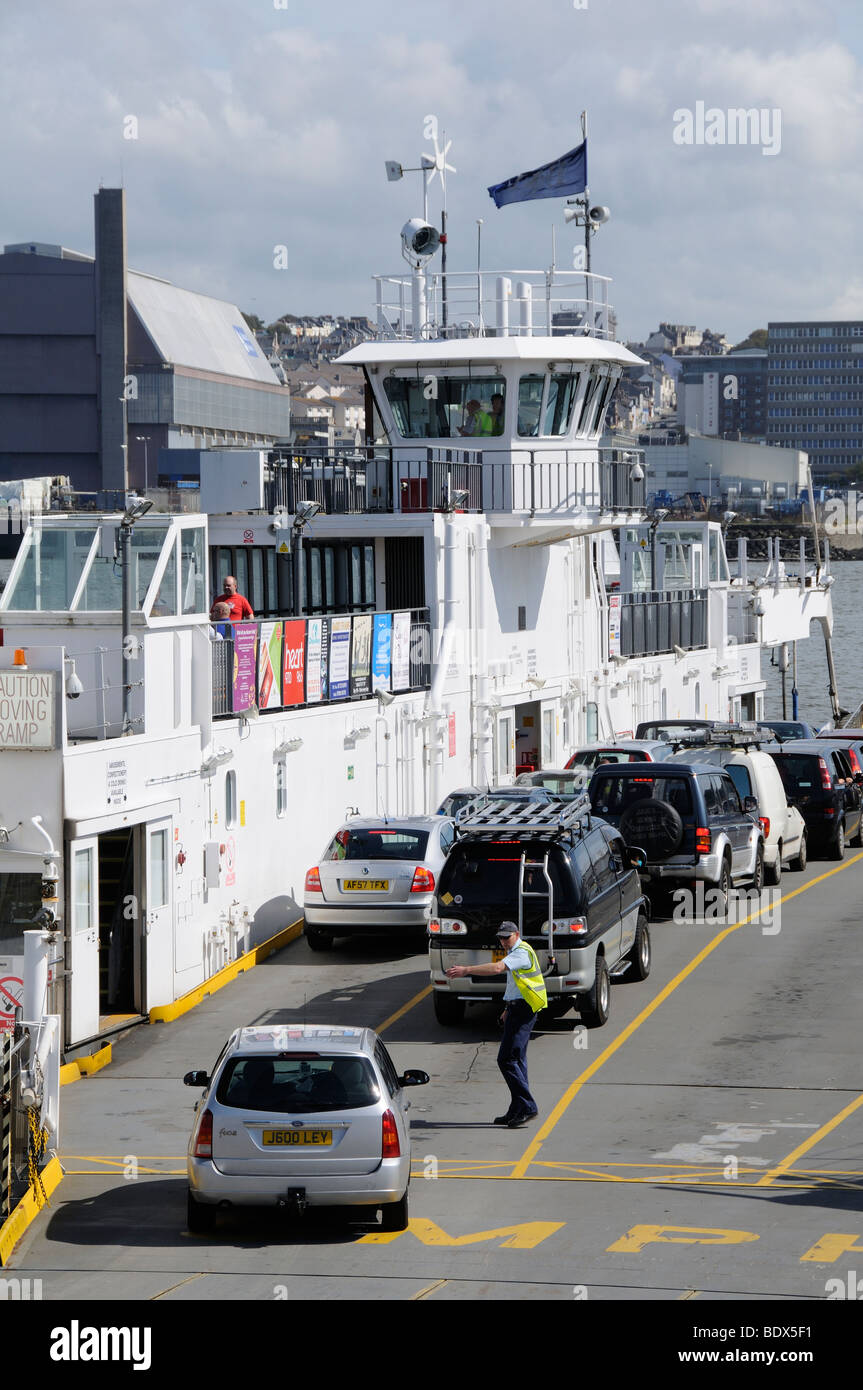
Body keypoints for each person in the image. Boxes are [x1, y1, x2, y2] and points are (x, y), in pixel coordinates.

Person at [445, 920, 546, 1127]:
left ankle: (527, 1106)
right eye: (500, 937)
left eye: (506, 937)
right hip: (519, 1007)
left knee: (506, 1060)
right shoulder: (516, 951)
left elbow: (498, 968)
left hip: (525, 1009)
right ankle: (517, 1107)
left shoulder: (521, 952)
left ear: (516, 934)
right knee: (517, 1059)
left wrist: (467, 969)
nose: (502, 941)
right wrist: (508, 1008)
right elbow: (516, 984)